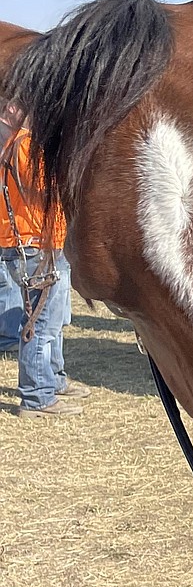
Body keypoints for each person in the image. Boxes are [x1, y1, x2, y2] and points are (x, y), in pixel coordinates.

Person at [0, 110, 89, 418]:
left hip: (43, 242)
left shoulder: (23, 142)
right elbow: (45, 189)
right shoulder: (25, 144)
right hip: (35, 244)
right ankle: (37, 397)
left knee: (53, 320)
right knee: (40, 325)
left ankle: (53, 379)